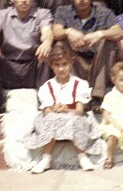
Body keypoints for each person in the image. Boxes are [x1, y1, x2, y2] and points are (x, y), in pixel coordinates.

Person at [20, 42, 103, 174]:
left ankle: (82, 157)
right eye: (57, 65)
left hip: (74, 115)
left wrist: (67, 111)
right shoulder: (47, 87)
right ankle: (46, 159)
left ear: (71, 63)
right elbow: (47, 111)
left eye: (64, 64)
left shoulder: (79, 84)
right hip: (54, 116)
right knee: (51, 119)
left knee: (75, 120)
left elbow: (79, 111)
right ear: (51, 66)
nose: (61, 69)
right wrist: (54, 109)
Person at [53, 0, 123, 113]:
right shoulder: (63, 11)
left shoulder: (104, 12)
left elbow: (119, 32)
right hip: (75, 65)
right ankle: (74, 95)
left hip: (99, 66)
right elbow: (55, 32)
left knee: (109, 41)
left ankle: (97, 97)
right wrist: (68, 31)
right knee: (60, 44)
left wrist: (99, 34)